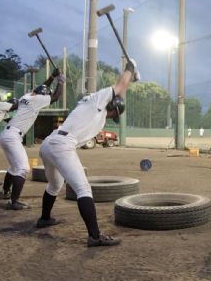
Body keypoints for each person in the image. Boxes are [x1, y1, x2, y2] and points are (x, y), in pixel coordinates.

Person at [35, 59, 138, 247]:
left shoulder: (95, 110)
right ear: (112, 108)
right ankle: (95, 236)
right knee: (83, 189)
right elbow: (120, 85)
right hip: (62, 145)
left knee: (55, 185)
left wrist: (129, 80)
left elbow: (121, 91)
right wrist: (130, 69)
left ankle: (44, 219)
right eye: (114, 114)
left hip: (49, 144)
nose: (112, 117)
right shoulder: (98, 100)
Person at [0, 69, 64, 210]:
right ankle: (13, 202)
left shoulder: (27, 96)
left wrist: (52, 76)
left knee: (14, 167)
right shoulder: (37, 100)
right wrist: (61, 81)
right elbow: (56, 97)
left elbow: (41, 87)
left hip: (7, 134)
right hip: (13, 136)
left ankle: (4, 192)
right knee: (22, 168)